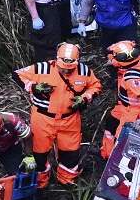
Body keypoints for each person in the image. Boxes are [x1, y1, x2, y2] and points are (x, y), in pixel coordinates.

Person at [14, 42, 102, 188]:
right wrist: (34, 87)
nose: (66, 71)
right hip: (43, 118)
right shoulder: (42, 68)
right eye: (62, 68)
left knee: (71, 153)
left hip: (70, 119)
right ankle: (41, 183)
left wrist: (85, 97)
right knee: (39, 154)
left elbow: (96, 86)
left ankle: (66, 180)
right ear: (57, 59)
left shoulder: (84, 71)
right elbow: (17, 74)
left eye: (70, 69)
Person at [100, 40, 140, 160]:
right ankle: (105, 153)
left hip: (134, 111)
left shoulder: (131, 78)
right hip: (124, 106)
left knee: (121, 138)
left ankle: (114, 160)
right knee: (111, 122)